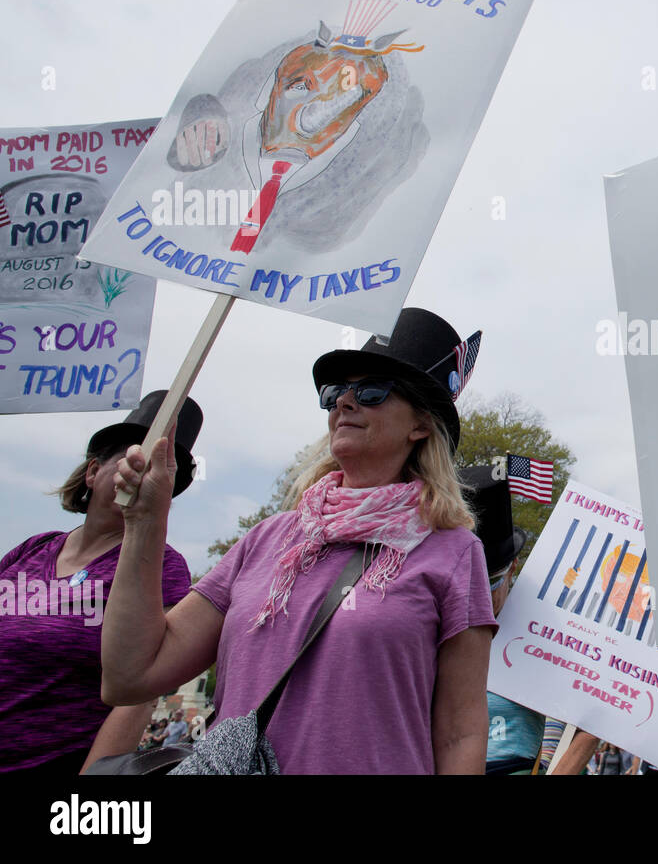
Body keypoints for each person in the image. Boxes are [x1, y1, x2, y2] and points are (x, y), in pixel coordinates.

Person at [101, 308, 497, 774]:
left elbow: (461, 731)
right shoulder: (268, 538)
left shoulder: (453, 552)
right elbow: (130, 676)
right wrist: (146, 523)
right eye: (335, 394)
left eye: (371, 392)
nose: (344, 404)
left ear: (421, 425)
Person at [0, 391, 200, 774]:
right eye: (133, 457)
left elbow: (138, 696)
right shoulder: (31, 550)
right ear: (93, 471)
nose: (142, 472)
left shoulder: (161, 566)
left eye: (161, 467)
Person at [471, 465, 601, 776]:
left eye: (491, 582)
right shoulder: (434, 629)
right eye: (467, 582)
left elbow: (594, 719)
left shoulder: (542, 630)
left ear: (513, 568)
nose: (478, 595)